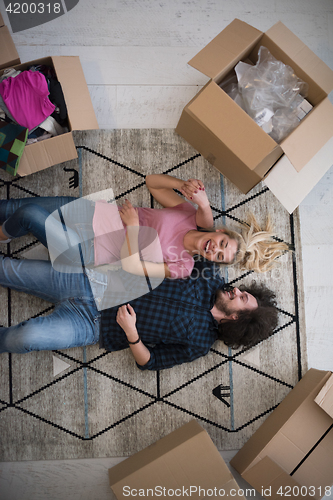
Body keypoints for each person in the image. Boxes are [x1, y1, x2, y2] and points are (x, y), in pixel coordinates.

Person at [0, 256, 278, 370]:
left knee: (26, 337)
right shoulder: (207, 273)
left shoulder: (200, 344)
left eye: (242, 298)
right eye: (242, 290)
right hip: (93, 280)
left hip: (93, 325)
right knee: (10, 270)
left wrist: (131, 332)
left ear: (236, 318)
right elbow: (192, 236)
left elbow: (150, 362)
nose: (236, 289)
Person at [0, 175, 289, 279]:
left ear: (212, 260)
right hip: (91, 213)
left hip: (88, 250)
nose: (215, 249)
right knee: (12, 208)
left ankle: (2, 236)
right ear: (219, 232)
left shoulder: (183, 266)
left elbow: (133, 268)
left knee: (27, 214)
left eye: (219, 256)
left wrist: (134, 227)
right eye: (222, 244)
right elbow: (152, 182)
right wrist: (184, 188)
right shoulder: (190, 214)